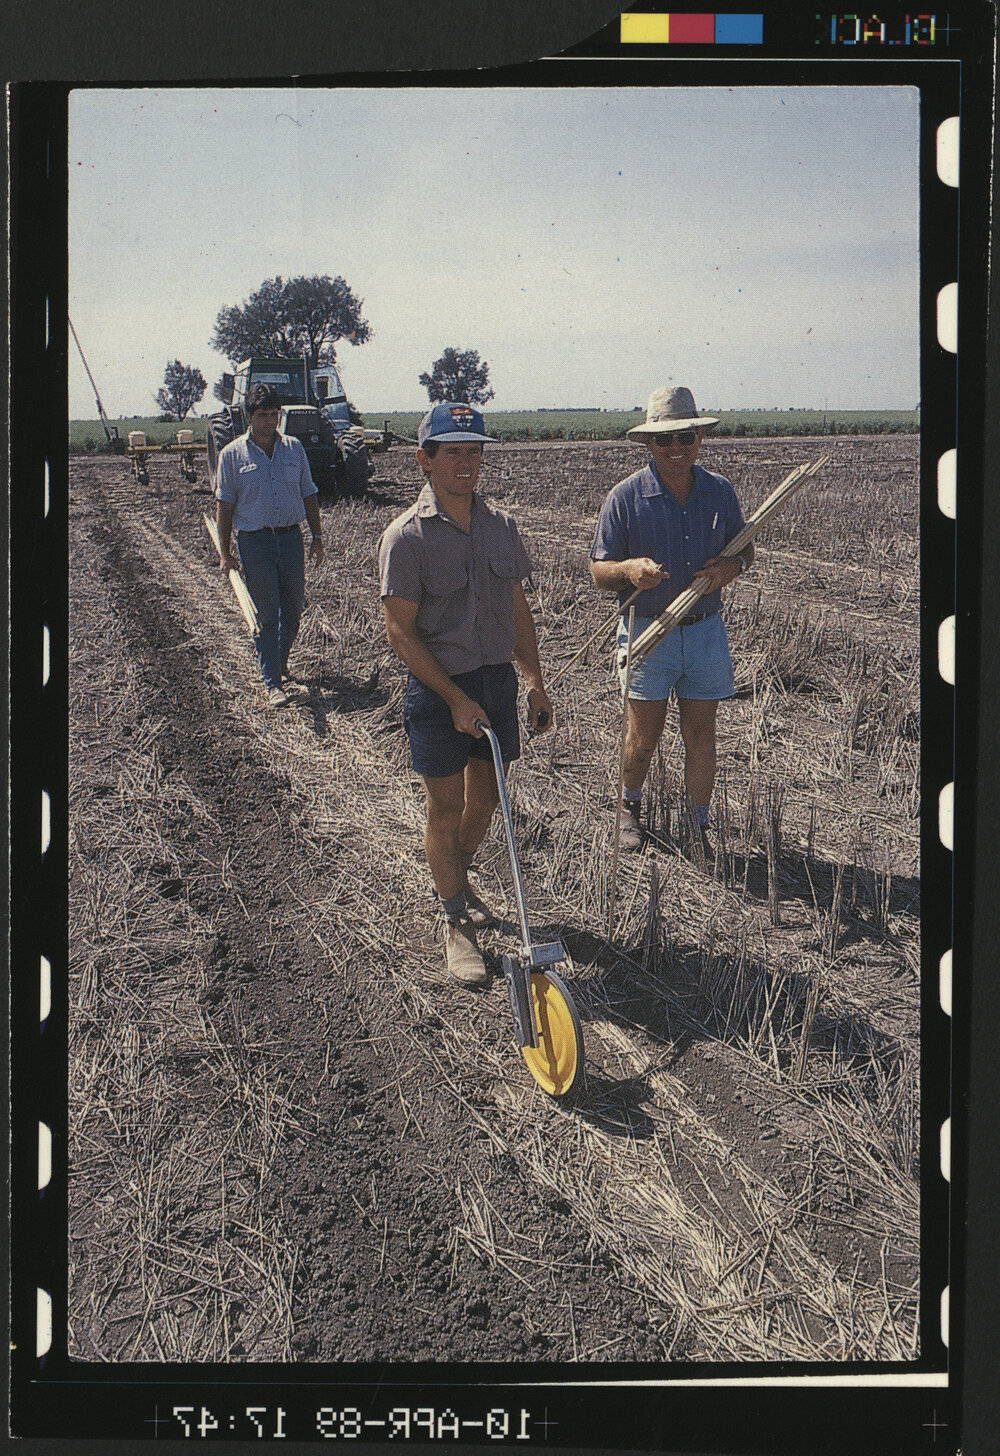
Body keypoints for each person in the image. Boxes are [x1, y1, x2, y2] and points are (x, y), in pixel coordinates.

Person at [378, 401, 554, 985]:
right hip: (437, 692)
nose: (466, 462)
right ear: (424, 460)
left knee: (487, 803)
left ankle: (458, 873)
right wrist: (454, 699)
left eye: (474, 450)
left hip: (496, 684)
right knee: (446, 806)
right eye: (452, 451)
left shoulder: (501, 525)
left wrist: (533, 679)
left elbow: (517, 608)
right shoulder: (406, 538)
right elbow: (400, 632)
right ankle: (455, 921)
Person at [589, 385, 753, 857]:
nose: (676, 449)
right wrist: (628, 571)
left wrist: (733, 569)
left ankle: (697, 825)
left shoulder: (719, 491)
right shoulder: (624, 498)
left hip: (704, 631)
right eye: (665, 441)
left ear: (700, 439)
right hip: (647, 630)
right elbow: (599, 570)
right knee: (643, 738)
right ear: (648, 445)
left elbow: (746, 550)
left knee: (702, 734)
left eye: (685, 438)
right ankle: (629, 808)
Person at [214, 383, 325, 707]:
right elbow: (224, 506)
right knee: (267, 614)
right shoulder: (232, 455)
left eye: (274, 415)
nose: (269, 421)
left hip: (291, 539)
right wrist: (225, 553)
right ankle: (272, 682)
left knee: (292, 611)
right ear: (249, 416)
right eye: (262, 415)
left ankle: (281, 664)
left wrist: (317, 538)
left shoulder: (294, 449)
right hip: (255, 542)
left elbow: (309, 493)